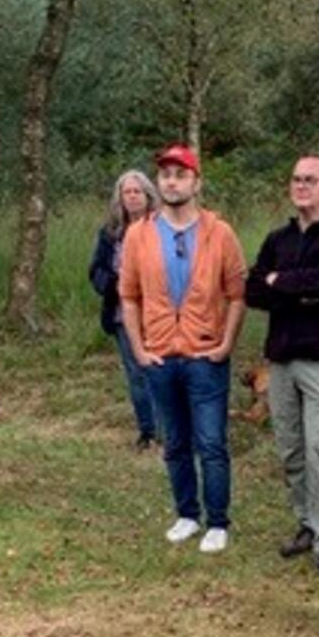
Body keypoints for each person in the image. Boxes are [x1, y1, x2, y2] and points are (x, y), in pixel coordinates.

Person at [119, 144, 248, 554]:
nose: (172, 181)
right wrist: (139, 349)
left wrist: (227, 343)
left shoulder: (219, 232)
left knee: (210, 442)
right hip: (160, 355)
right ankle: (187, 514)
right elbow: (129, 297)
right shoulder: (138, 233)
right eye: (166, 175)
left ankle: (218, 520)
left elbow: (237, 293)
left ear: (196, 182)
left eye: (180, 174)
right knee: (174, 442)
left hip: (204, 354)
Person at [245, 153, 319, 573]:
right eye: (296, 179)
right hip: (281, 357)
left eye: (311, 179)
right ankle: (307, 524)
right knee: (291, 448)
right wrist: (294, 288)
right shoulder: (278, 239)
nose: (302, 186)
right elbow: (255, 291)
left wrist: (285, 283)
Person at [90, 169, 164, 449]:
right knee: (136, 373)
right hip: (123, 313)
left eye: (137, 192)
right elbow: (96, 270)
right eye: (127, 192)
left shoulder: (162, 228)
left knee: (161, 371)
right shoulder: (110, 233)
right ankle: (146, 432)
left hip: (158, 312)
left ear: (148, 195)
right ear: (119, 198)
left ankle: (168, 433)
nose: (132, 197)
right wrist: (114, 283)